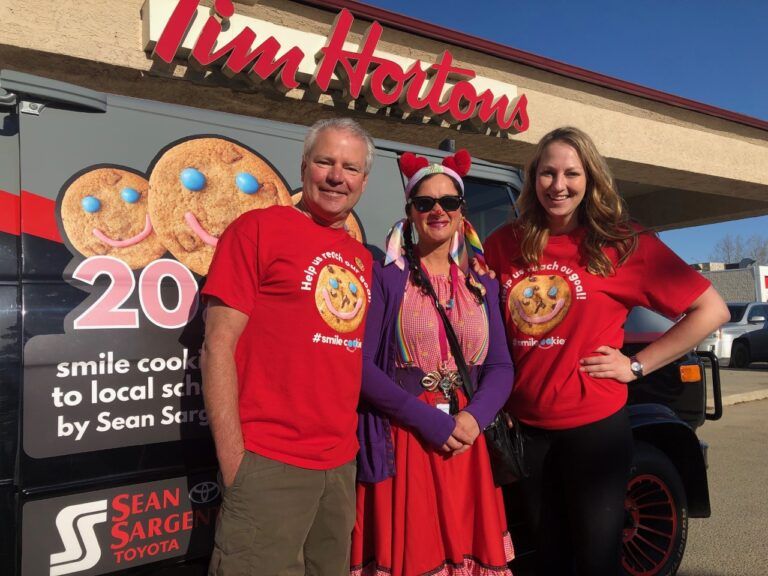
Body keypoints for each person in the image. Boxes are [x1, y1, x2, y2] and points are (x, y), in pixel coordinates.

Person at [484, 126, 730, 576]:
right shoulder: (505, 243)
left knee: (597, 561)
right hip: (527, 432)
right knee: (544, 558)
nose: (558, 185)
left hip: (594, 430)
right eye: (547, 173)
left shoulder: (620, 241)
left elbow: (710, 310)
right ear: (532, 177)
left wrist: (636, 365)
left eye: (571, 174)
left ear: (590, 179)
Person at [201, 117, 375, 576]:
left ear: (364, 180)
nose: (337, 176)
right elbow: (216, 348)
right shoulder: (256, 230)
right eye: (325, 162)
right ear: (303, 168)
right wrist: (236, 462)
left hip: (338, 464)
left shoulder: (359, 255)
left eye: (351, 167)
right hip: (268, 462)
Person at [351, 150, 516, 576]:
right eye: (425, 203)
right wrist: (430, 422)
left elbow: (500, 367)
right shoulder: (386, 277)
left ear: (463, 212)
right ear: (410, 212)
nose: (438, 210)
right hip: (408, 438)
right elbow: (363, 367)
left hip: (468, 439)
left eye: (450, 202)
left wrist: (473, 419)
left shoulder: (481, 285)